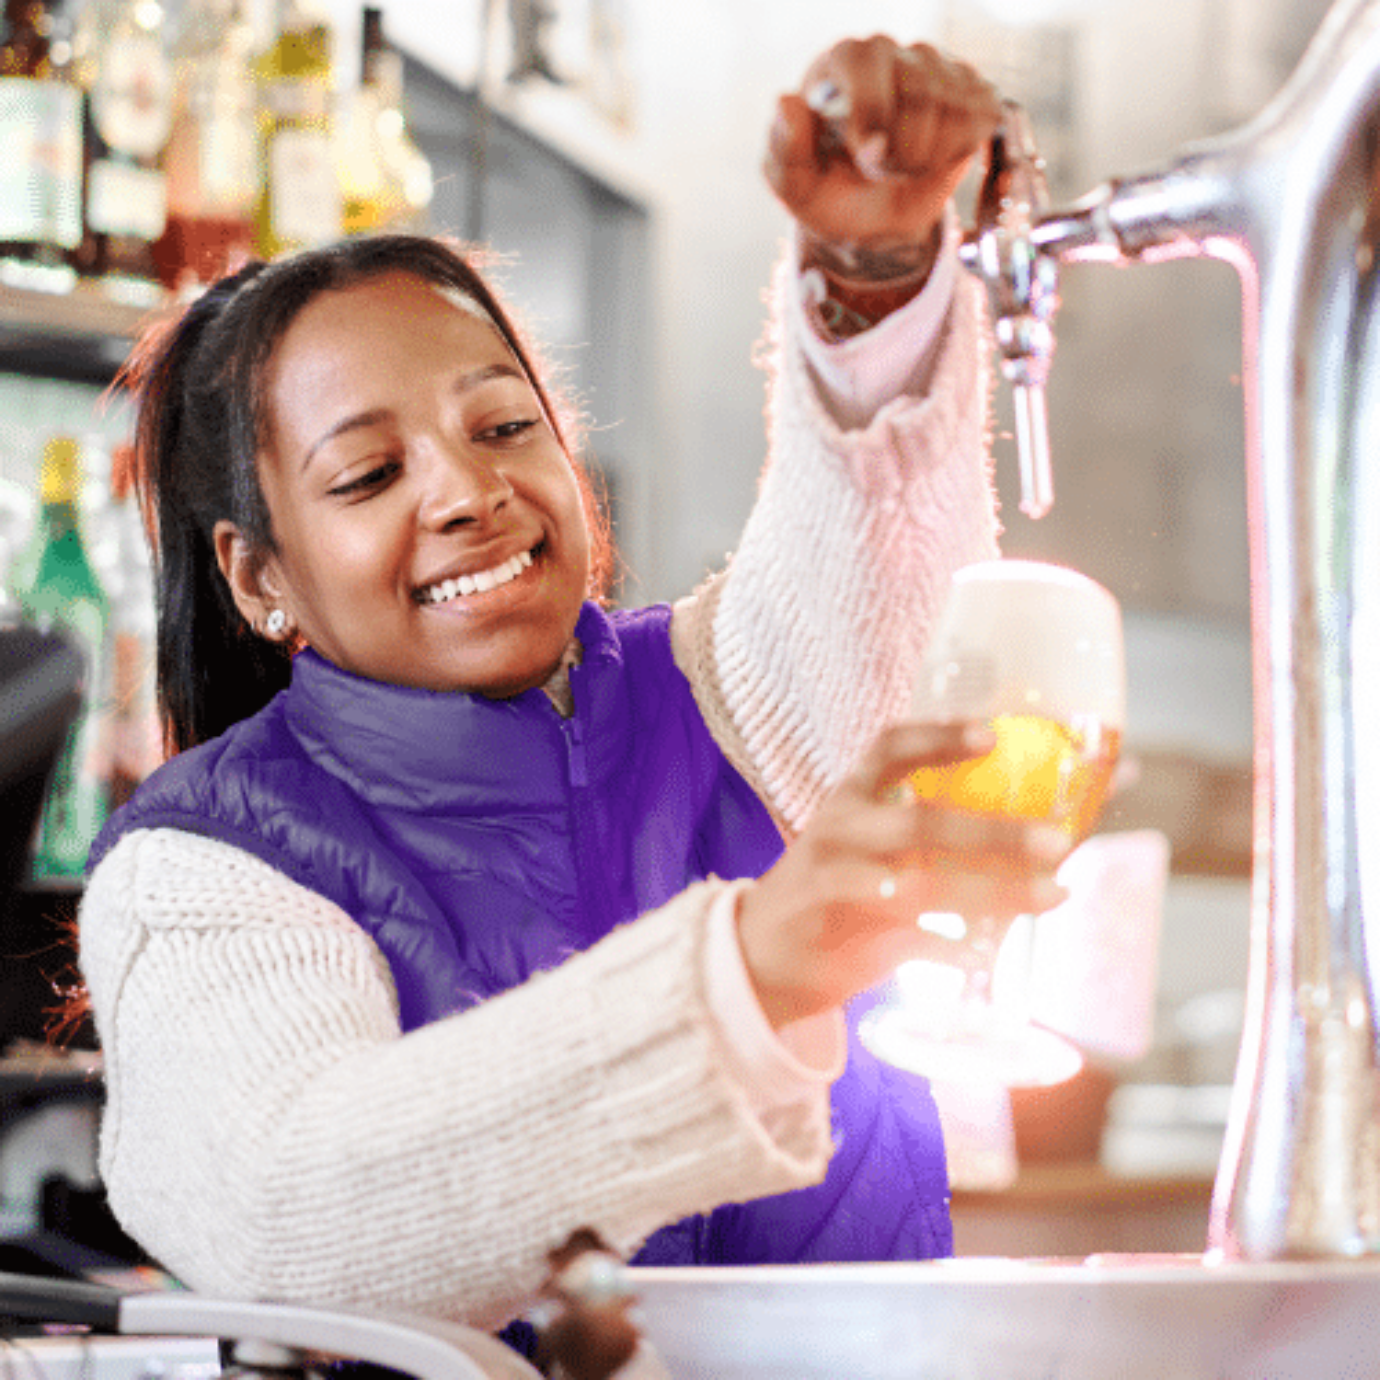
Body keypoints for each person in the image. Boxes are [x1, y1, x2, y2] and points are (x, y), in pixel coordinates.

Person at [76, 33, 1053, 1344]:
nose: (471, 492)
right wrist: (746, 977)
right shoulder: (203, 866)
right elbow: (292, 1217)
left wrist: (874, 279)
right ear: (262, 578)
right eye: (368, 475)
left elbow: (880, 571)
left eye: (503, 426)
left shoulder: (726, 696)